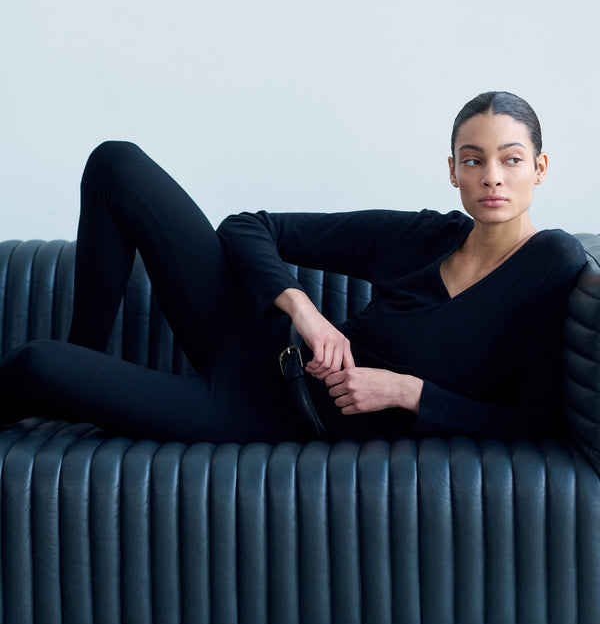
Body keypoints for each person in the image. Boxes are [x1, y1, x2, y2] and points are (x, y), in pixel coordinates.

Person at [0, 91, 587, 444]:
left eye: (511, 160)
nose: (491, 176)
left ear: (538, 168)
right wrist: (304, 311)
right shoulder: (425, 235)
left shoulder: (550, 262)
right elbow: (247, 226)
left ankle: (69, 380)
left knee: (35, 364)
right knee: (116, 165)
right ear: (453, 171)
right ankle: (85, 364)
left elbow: (536, 418)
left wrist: (409, 393)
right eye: (473, 159)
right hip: (261, 340)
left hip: (264, 411)